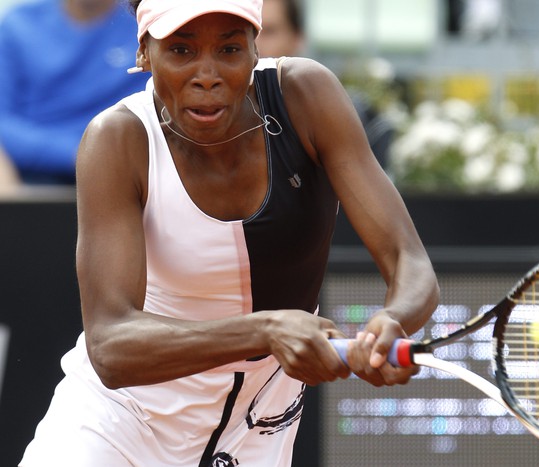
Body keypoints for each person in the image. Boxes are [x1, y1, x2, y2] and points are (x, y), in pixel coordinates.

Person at [19, 0, 440, 465]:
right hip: (117, 426)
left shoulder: (307, 95)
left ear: (255, 49)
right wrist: (264, 330)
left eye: (229, 49)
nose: (207, 75)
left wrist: (393, 321)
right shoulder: (117, 139)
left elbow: (409, 261)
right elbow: (111, 346)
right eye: (181, 50)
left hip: (259, 428)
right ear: (143, 52)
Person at [0, 0, 150, 184]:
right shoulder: (17, 25)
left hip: (127, 172)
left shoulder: (145, 22)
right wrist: (79, 153)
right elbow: (3, 123)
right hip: (34, 179)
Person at [256, 0, 395, 168]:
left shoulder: (333, 111)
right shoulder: (226, 115)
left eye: (268, 31)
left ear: (297, 38)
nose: (255, 44)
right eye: (248, 32)